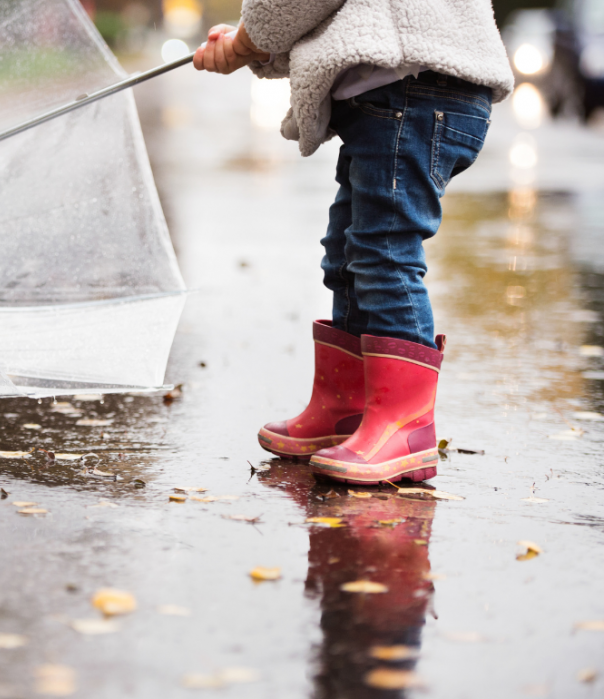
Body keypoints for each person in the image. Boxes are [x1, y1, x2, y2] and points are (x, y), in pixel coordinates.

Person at [193, 1, 513, 485]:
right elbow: (348, 19)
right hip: (400, 90)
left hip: (414, 90)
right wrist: (249, 41)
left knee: (384, 251)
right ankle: (346, 411)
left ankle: (405, 427)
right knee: (347, 252)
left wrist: (245, 41)